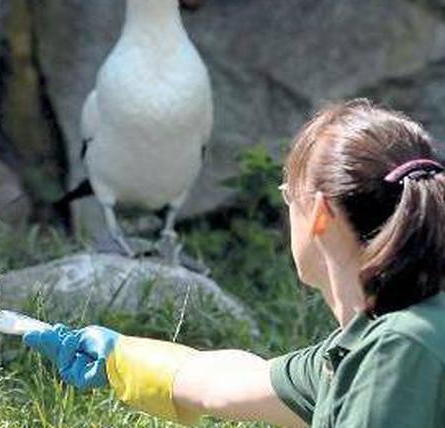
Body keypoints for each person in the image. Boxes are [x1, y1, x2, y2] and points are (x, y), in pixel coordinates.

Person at [25, 99, 445, 427]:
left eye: (287, 197)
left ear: (319, 213)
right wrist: (118, 356)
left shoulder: (400, 351)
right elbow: (230, 384)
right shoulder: (371, 342)